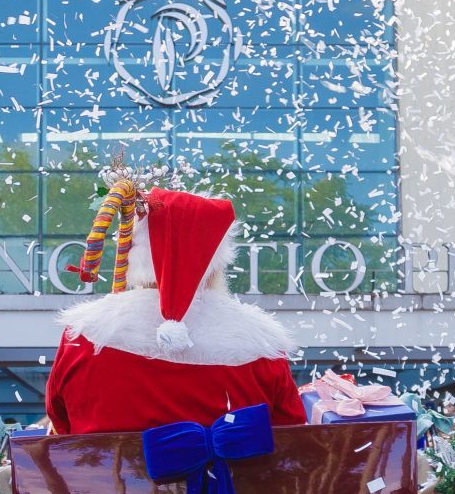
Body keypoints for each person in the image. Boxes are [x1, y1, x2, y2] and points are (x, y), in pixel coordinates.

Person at [43, 184, 304, 433]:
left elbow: (61, 421)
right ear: (215, 262)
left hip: (105, 468)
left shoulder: (83, 338)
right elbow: (291, 434)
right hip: (235, 469)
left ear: (136, 256)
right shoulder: (263, 347)